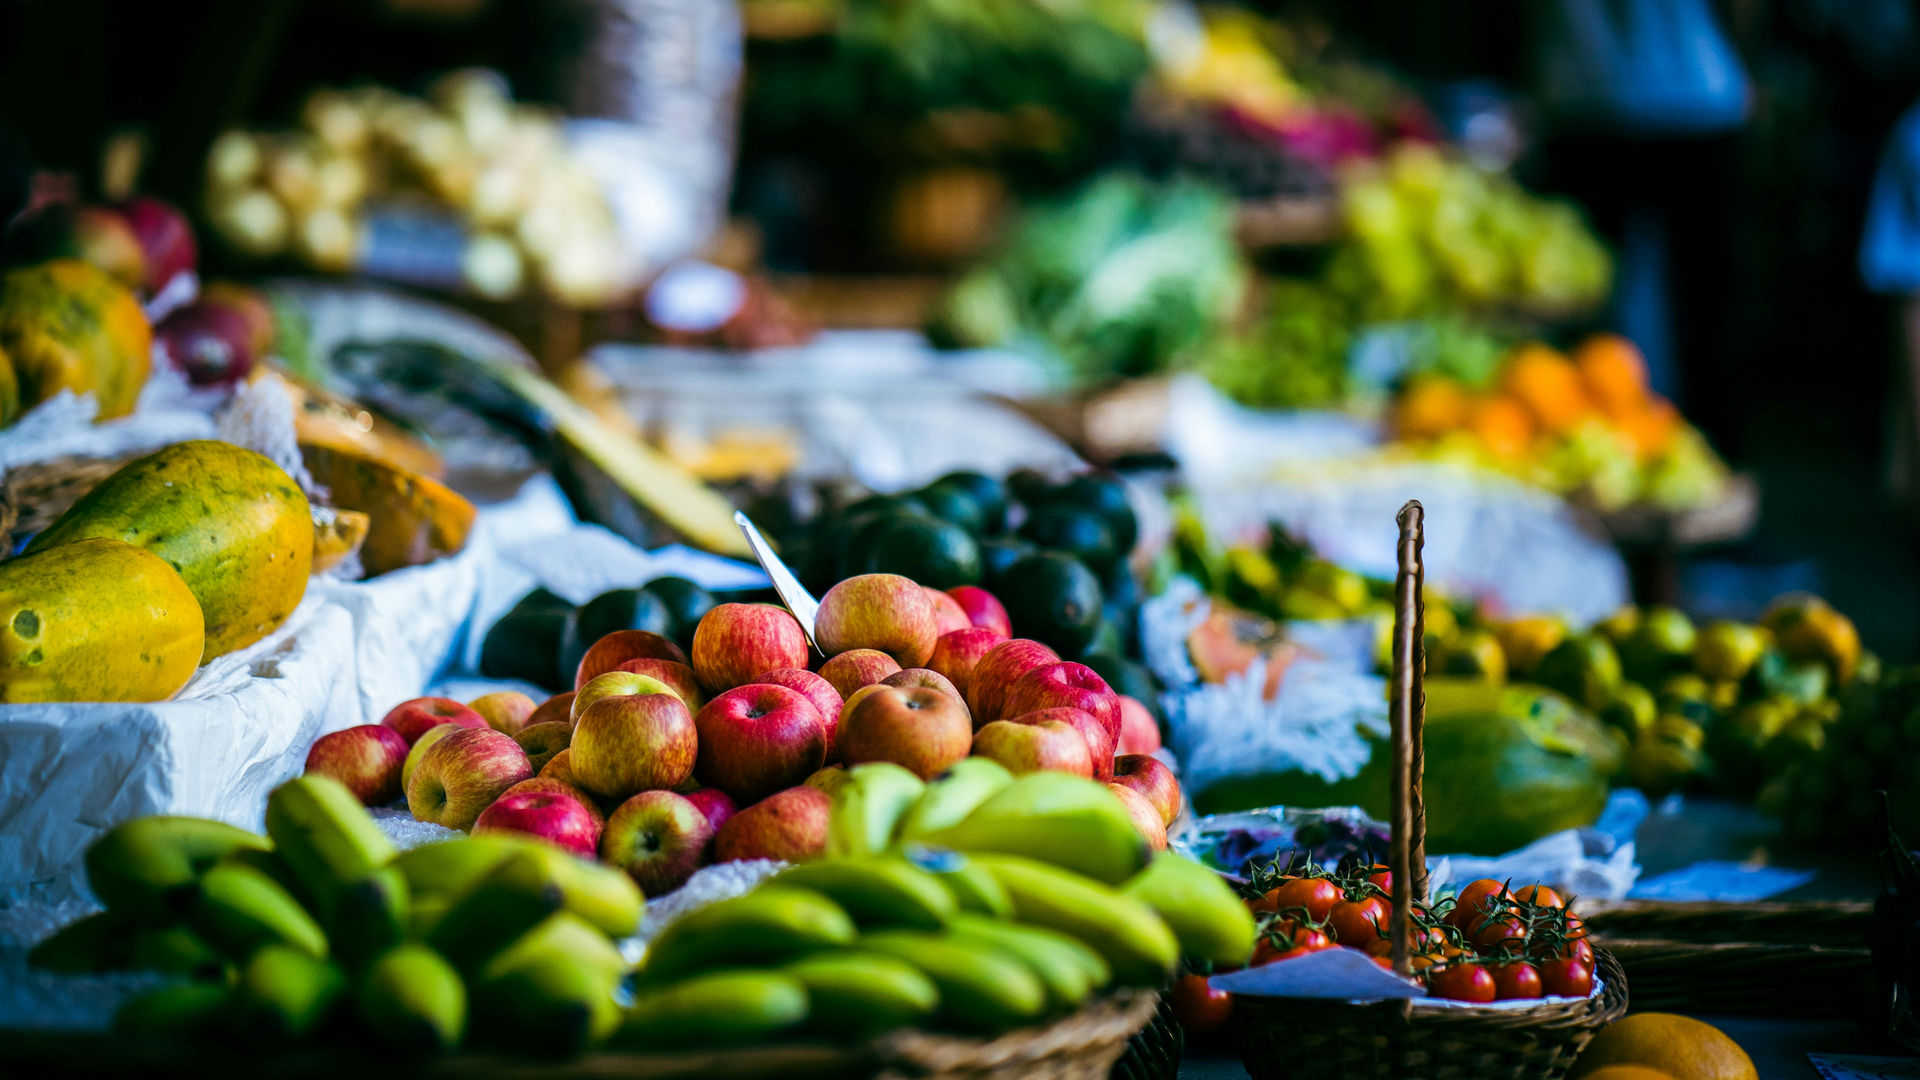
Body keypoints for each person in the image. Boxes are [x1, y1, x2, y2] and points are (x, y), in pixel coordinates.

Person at [1534, 0, 1752, 458]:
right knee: (1701, 304)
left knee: (1589, 309)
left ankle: (1636, 470)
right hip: (1687, 91)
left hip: (1587, 90)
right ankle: (1696, 467)